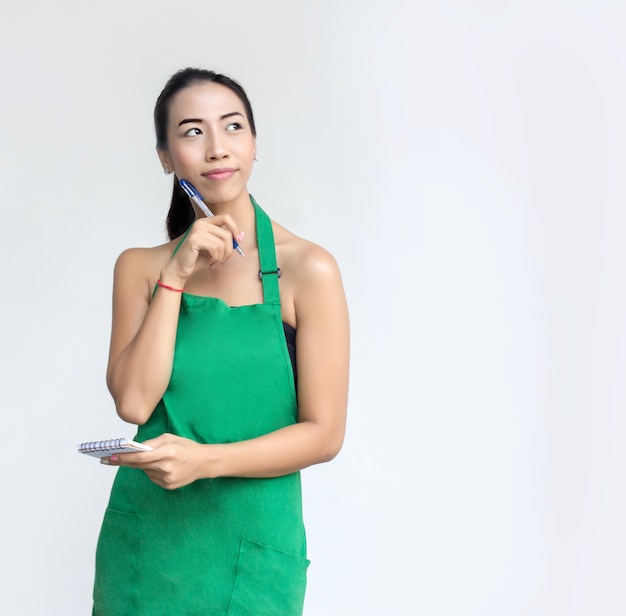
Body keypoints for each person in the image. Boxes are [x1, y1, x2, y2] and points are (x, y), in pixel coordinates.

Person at [91, 67, 350, 616]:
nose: (216, 147)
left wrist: (204, 461)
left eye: (232, 126)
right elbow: (134, 403)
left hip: (252, 549)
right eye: (191, 132)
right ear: (165, 156)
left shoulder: (309, 269)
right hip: (146, 551)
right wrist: (175, 277)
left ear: (254, 142)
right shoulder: (140, 269)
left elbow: (324, 435)